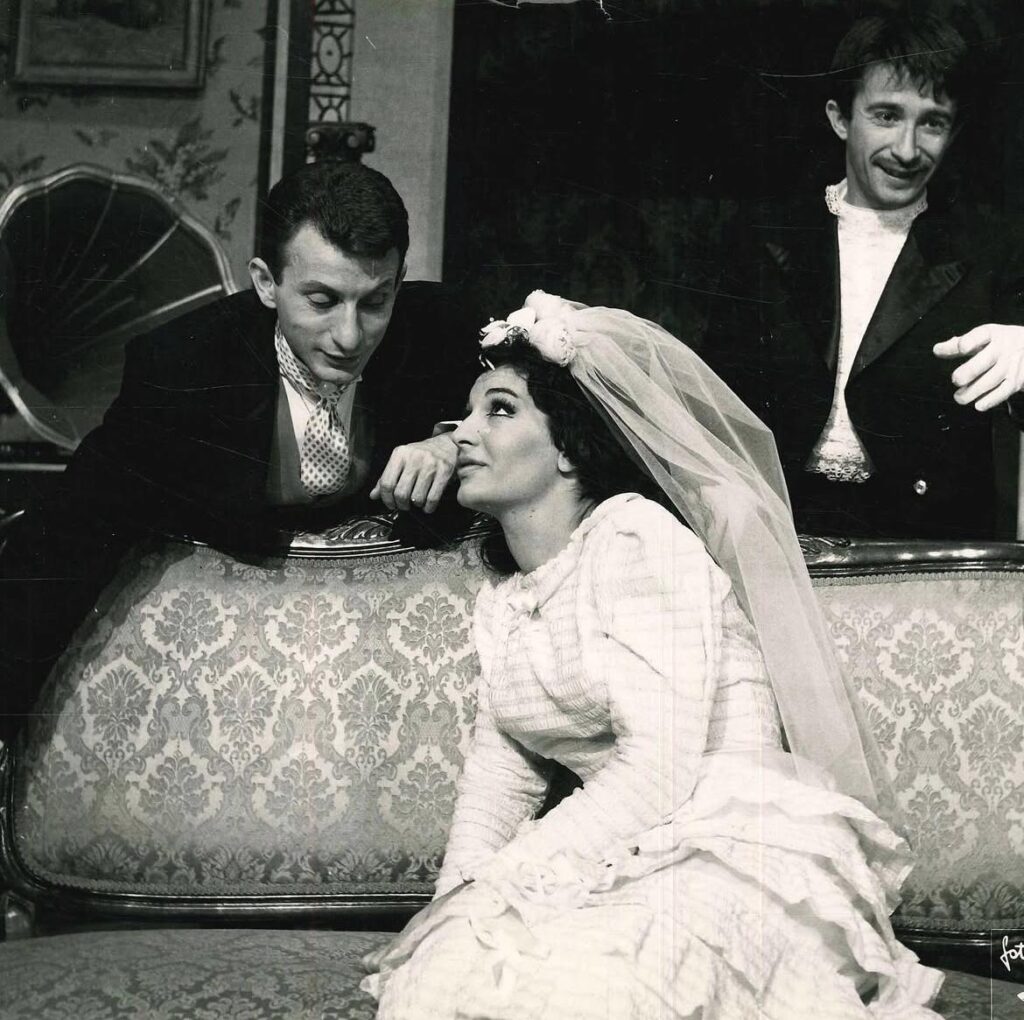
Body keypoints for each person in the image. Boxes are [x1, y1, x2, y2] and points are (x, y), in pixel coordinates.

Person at [360, 290, 943, 1019]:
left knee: (589, 990)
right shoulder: (504, 600)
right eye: (468, 412)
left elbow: (658, 769)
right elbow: (499, 778)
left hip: (733, 848)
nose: (462, 437)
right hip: (620, 851)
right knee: (442, 972)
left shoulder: (638, 541)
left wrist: (498, 884)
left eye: (498, 410)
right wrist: (451, 904)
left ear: (569, 447)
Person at [0, 159, 479, 746]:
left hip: (384, 668)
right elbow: (65, 540)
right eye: (322, 300)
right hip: (229, 676)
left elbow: (563, 396)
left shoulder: (445, 327)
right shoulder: (180, 368)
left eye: (375, 301)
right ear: (265, 282)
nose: (350, 336)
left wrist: (456, 439)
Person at [703, 12, 1024, 539]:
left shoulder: (993, 249)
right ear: (840, 118)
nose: (906, 149)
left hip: (928, 544)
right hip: (780, 532)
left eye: (932, 122)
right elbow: (714, 408)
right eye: (886, 115)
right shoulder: (763, 240)